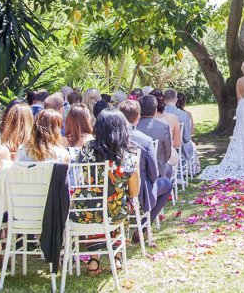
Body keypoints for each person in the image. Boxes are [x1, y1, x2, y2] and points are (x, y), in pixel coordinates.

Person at [70, 108, 139, 275]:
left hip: (85, 211)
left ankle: (94, 258)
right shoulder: (127, 154)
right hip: (113, 212)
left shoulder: (86, 149)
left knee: (101, 204)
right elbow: (135, 192)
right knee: (116, 203)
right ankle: (115, 256)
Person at [119, 100, 172, 224]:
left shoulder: (112, 138)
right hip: (139, 192)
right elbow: (154, 174)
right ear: (137, 118)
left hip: (117, 190)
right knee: (167, 184)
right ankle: (143, 225)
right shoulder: (145, 140)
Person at [136, 95, 174, 178]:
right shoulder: (163, 127)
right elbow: (167, 153)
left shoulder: (133, 128)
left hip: (137, 170)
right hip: (158, 171)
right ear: (155, 111)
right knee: (169, 168)